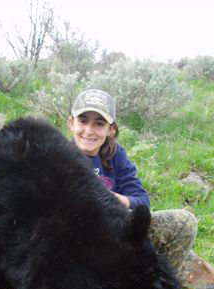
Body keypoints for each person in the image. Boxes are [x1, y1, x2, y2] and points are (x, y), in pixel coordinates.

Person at [68, 88, 197, 273]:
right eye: (83, 121)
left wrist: (115, 199)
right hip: (76, 245)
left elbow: (142, 201)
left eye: (99, 123)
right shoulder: (58, 155)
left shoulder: (115, 155)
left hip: (117, 233)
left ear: (111, 129)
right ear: (71, 123)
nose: (89, 130)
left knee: (184, 222)